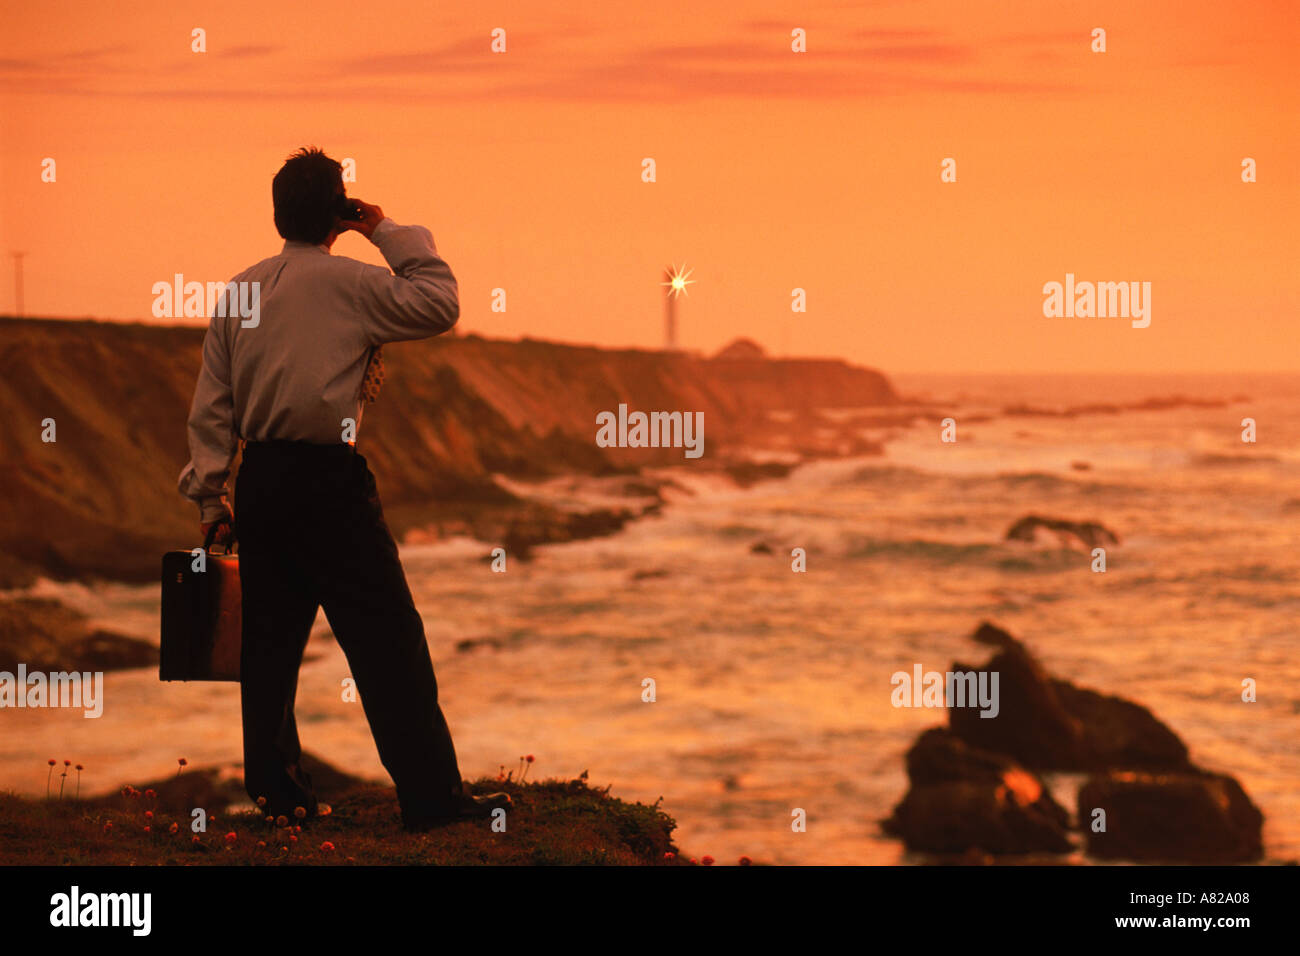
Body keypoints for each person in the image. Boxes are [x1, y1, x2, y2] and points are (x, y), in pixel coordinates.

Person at [177, 146, 508, 830]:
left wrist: (213, 501)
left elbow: (211, 406)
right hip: (329, 483)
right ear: (338, 213)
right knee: (388, 641)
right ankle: (432, 800)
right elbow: (439, 303)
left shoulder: (240, 290)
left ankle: (279, 797)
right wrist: (384, 229)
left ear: (277, 215)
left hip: (262, 480)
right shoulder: (352, 284)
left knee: (267, 646)